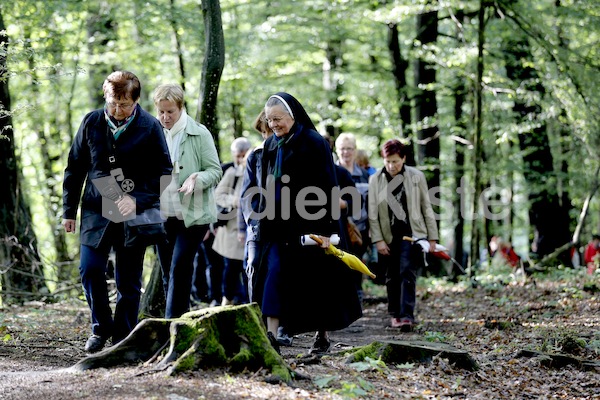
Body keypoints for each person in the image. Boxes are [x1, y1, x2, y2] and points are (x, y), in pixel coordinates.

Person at [62, 71, 173, 353]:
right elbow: (75, 167)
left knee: (128, 280)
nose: (117, 110)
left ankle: (123, 336)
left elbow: (164, 173)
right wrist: (68, 210)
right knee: (90, 270)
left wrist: (138, 200)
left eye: (124, 104)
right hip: (95, 210)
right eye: (113, 103)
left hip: (132, 213)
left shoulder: (150, 126)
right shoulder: (91, 121)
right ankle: (100, 330)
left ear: (136, 101)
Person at [254, 92, 362, 354]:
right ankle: (270, 335)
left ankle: (321, 334)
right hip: (277, 225)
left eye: (278, 119)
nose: (274, 125)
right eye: (269, 120)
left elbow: (328, 185)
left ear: (292, 115)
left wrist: (325, 230)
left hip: (312, 222)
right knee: (275, 272)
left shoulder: (314, 143)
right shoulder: (270, 146)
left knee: (317, 279)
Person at [153, 83, 222, 319]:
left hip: (193, 215)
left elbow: (215, 171)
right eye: (161, 112)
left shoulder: (199, 133)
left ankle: (174, 328)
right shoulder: (153, 132)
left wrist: (196, 178)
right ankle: (174, 323)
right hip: (162, 213)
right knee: (166, 273)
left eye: (170, 111)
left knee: (179, 268)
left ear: (180, 107)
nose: (165, 117)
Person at [368, 138, 438, 332]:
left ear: (404, 158)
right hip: (388, 236)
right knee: (391, 276)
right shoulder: (376, 179)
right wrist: (378, 240)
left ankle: (407, 315)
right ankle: (395, 314)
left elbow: (427, 207)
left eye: (396, 161)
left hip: (412, 234)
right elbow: (372, 213)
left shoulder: (416, 176)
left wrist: (432, 237)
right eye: (388, 161)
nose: (392, 166)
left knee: (407, 271)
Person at [213, 137, 252, 305]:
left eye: (243, 155)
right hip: (231, 230)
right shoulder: (231, 173)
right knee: (230, 269)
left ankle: (248, 304)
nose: (240, 159)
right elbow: (218, 195)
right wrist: (234, 200)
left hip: (249, 228)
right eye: (237, 155)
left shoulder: (254, 171)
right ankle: (226, 303)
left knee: (248, 271)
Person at [335, 133, 371, 300]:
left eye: (349, 149)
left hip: (361, 226)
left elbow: (371, 203)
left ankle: (357, 293)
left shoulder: (365, 176)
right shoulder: (332, 173)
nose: (346, 153)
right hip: (339, 226)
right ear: (337, 150)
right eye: (342, 149)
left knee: (357, 261)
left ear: (355, 151)